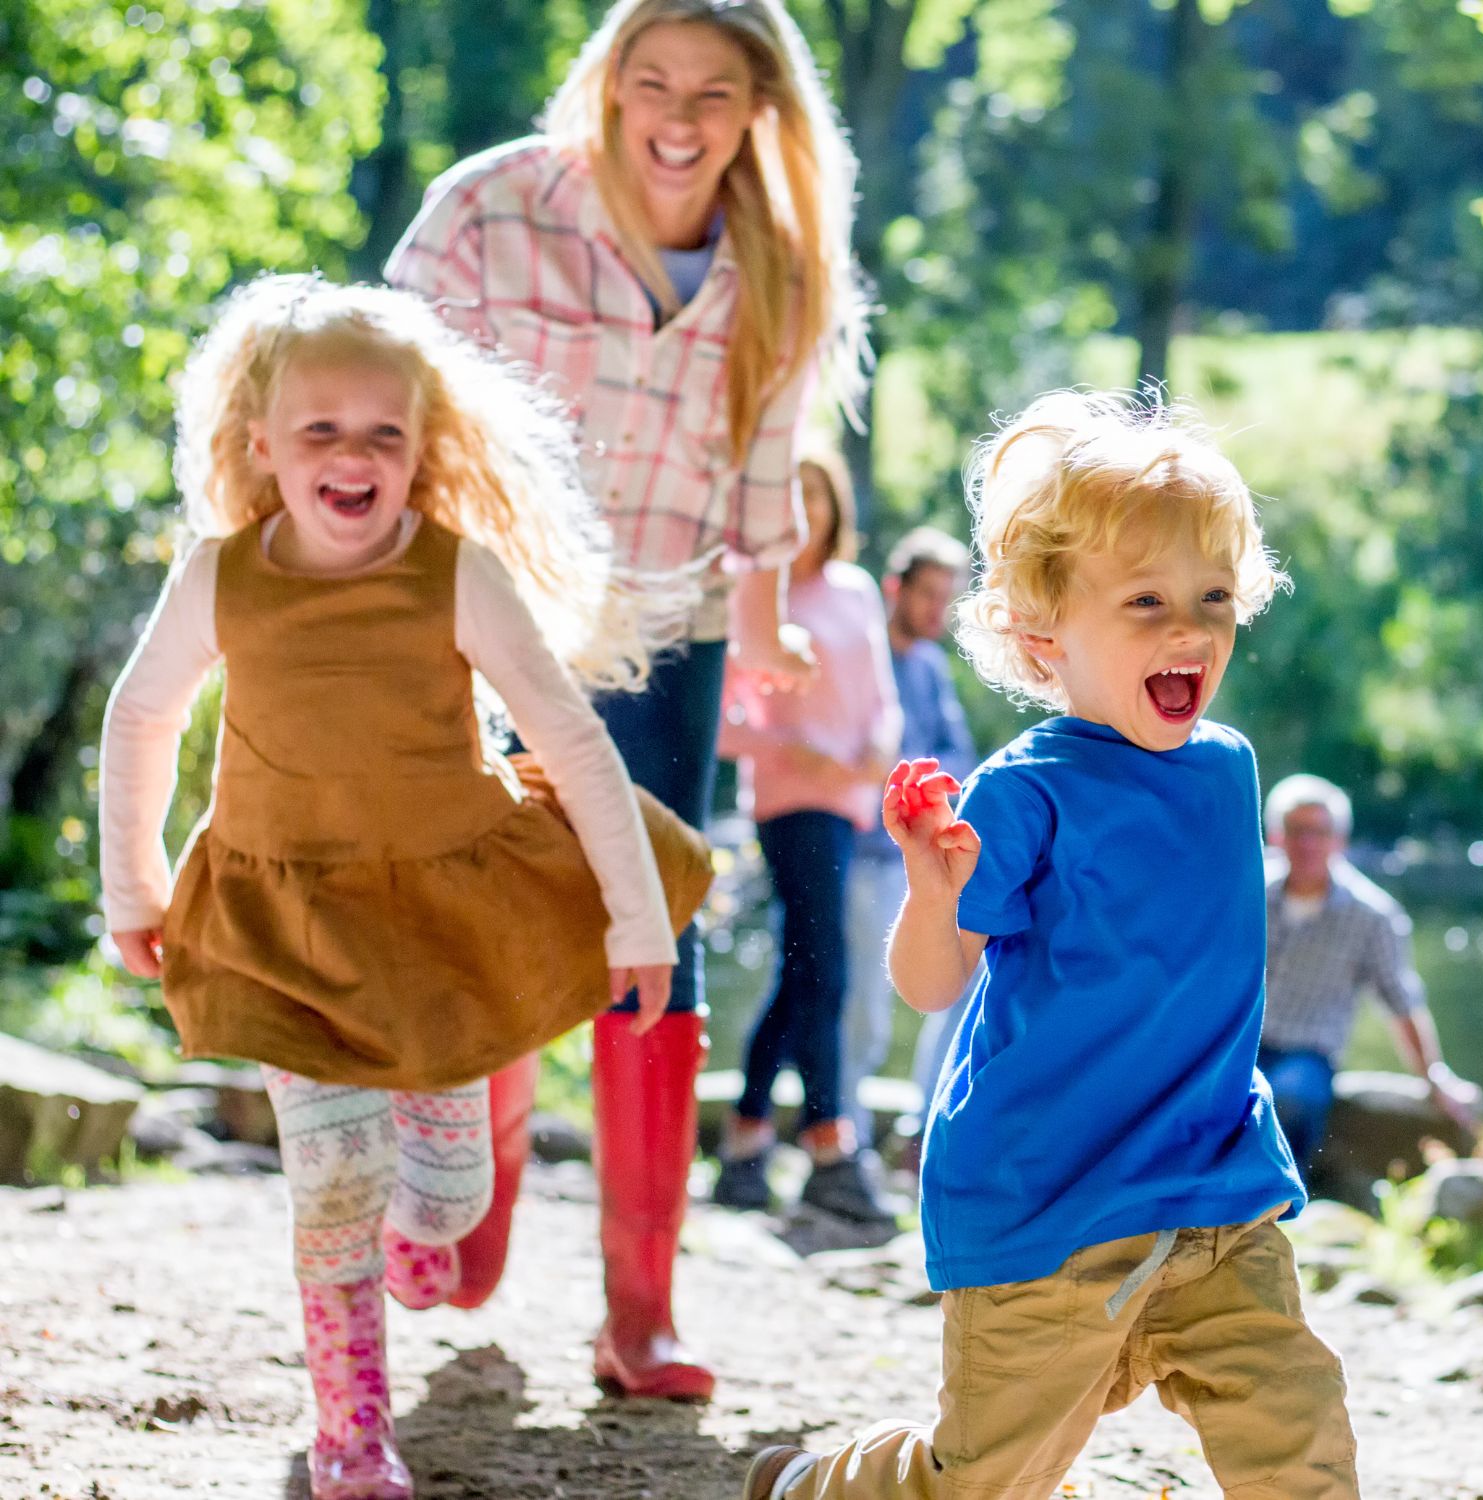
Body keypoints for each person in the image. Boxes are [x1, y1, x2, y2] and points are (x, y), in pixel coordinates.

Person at [97, 277, 702, 1500]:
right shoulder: (221, 575)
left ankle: (417, 1242)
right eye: (320, 429)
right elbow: (140, 718)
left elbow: (574, 742)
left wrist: (639, 922)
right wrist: (136, 886)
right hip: (284, 925)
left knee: (436, 1208)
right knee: (328, 1181)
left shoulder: (453, 573)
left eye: (384, 431)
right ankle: (351, 1435)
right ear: (260, 444)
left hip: (440, 929)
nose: (352, 455)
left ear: (423, 450)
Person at [743, 391, 1361, 1500]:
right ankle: (819, 1488)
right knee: (979, 1483)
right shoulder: (1023, 794)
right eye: (1144, 601)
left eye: (1211, 597)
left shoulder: (1228, 768)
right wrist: (935, 893)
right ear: (1043, 637)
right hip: (1046, 1207)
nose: (1188, 629)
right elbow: (930, 985)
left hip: (1211, 1192)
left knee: (1297, 1432)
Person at [385, 0, 868, 1401]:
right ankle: (471, 1206)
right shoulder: (491, 210)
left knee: (652, 916)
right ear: (605, 83)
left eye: (713, 92)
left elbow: (766, 471)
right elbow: (379, 389)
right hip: (487, 616)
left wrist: (769, 624)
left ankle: (638, 1314)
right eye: (650, 80)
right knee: (489, 906)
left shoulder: (779, 257)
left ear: (759, 108)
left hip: (669, 626)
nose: (677, 115)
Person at [714, 447, 900, 1222]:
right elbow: (720, 723)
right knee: (825, 966)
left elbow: (881, 696)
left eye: (818, 495)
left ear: (835, 509)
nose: (806, 509)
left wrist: (882, 751)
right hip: (791, 802)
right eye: (794, 496)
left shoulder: (855, 590)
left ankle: (748, 1139)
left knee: (805, 971)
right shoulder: (756, 595)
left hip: (850, 798)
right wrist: (784, 748)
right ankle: (829, 1145)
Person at [1260, 774, 1482, 1174]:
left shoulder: (1373, 916)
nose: (1307, 843)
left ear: (1339, 841)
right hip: (1242, 1044)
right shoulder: (1249, 890)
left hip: (1307, 1053)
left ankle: (1276, 1207)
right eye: (1296, 830)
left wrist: (1434, 1077)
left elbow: (1401, 1002)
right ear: (1276, 836)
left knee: (1286, 1100)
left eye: (1319, 832)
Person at [841, 526, 977, 1148]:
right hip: (862, 853)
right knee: (862, 1008)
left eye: (945, 598)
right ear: (895, 587)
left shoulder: (930, 668)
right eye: (927, 594)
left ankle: (927, 1127)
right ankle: (848, 1141)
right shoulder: (860, 655)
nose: (935, 611)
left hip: (920, 854)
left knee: (958, 988)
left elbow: (957, 753)